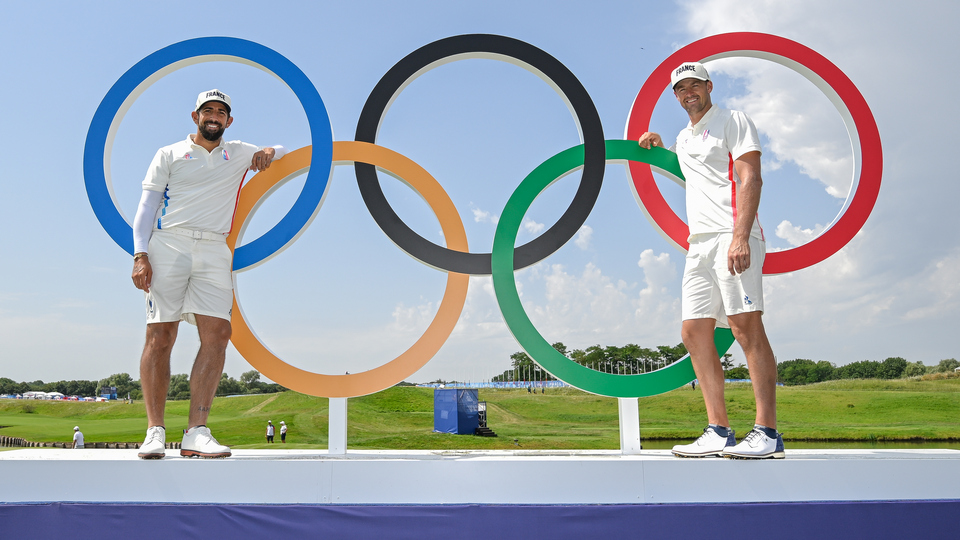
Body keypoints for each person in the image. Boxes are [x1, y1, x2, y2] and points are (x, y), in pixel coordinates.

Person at [638, 62, 783, 459]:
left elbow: (750, 177)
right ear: (676, 95)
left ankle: (768, 432)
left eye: (695, 85)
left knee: (745, 327)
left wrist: (740, 236)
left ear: (709, 86)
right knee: (693, 332)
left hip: (732, 236)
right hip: (698, 243)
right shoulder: (685, 137)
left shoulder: (733, 120)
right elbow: (697, 168)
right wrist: (658, 145)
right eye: (681, 88)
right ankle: (719, 429)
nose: (689, 92)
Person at [131, 89, 285, 459]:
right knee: (161, 333)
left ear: (229, 121)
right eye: (207, 110)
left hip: (215, 246)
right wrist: (140, 254)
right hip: (169, 244)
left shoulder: (238, 151)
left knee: (218, 333)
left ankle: (196, 432)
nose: (213, 116)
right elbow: (148, 205)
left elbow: (284, 151)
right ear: (195, 116)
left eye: (221, 111)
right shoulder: (169, 153)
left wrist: (269, 152)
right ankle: (155, 430)